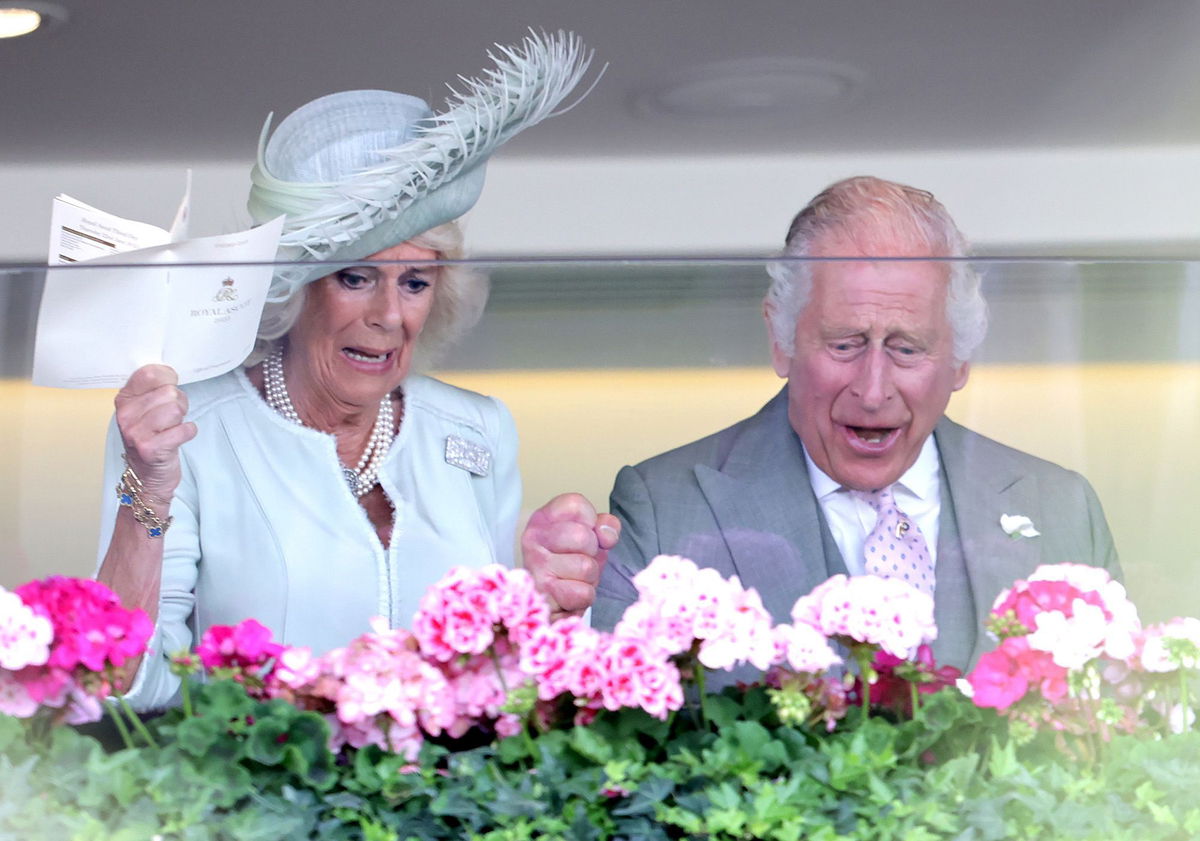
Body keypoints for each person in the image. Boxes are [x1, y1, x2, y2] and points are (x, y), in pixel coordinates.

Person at [95, 31, 618, 711]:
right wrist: (150, 494)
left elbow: (496, 682)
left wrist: (547, 604)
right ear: (295, 287)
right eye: (356, 276)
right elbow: (125, 682)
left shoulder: (478, 430)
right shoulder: (185, 433)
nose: (389, 314)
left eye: (416, 282)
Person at [584, 176, 1119, 672]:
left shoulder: (1061, 507)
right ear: (782, 340)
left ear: (960, 361)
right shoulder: (661, 507)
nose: (872, 390)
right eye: (845, 344)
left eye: (907, 349)